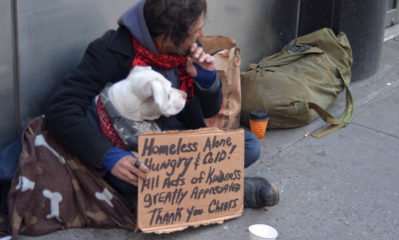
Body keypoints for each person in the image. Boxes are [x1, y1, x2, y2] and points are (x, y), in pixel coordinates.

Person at [44, 0, 279, 209]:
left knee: (248, 145)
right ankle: (225, 191)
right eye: (195, 31)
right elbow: (62, 109)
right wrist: (108, 155)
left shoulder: (185, 53)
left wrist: (206, 79)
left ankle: (177, 194)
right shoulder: (109, 51)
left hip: (179, 146)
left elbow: (208, 111)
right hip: (134, 151)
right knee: (132, 178)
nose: (201, 35)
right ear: (167, 37)